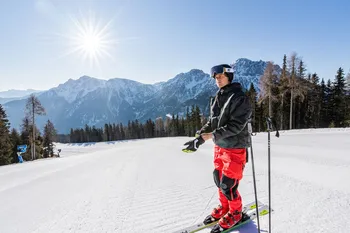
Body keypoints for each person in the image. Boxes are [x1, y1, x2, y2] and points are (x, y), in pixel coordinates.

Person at [182, 64, 252, 233]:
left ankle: (236, 213)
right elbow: (213, 122)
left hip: (235, 148)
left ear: (229, 76)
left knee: (229, 185)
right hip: (220, 147)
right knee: (218, 179)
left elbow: (236, 126)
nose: (218, 80)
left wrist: (210, 135)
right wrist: (200, 136)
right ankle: (225, 207)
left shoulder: (239, 98)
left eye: (221, 76)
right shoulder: (218, 96)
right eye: (215, 77)